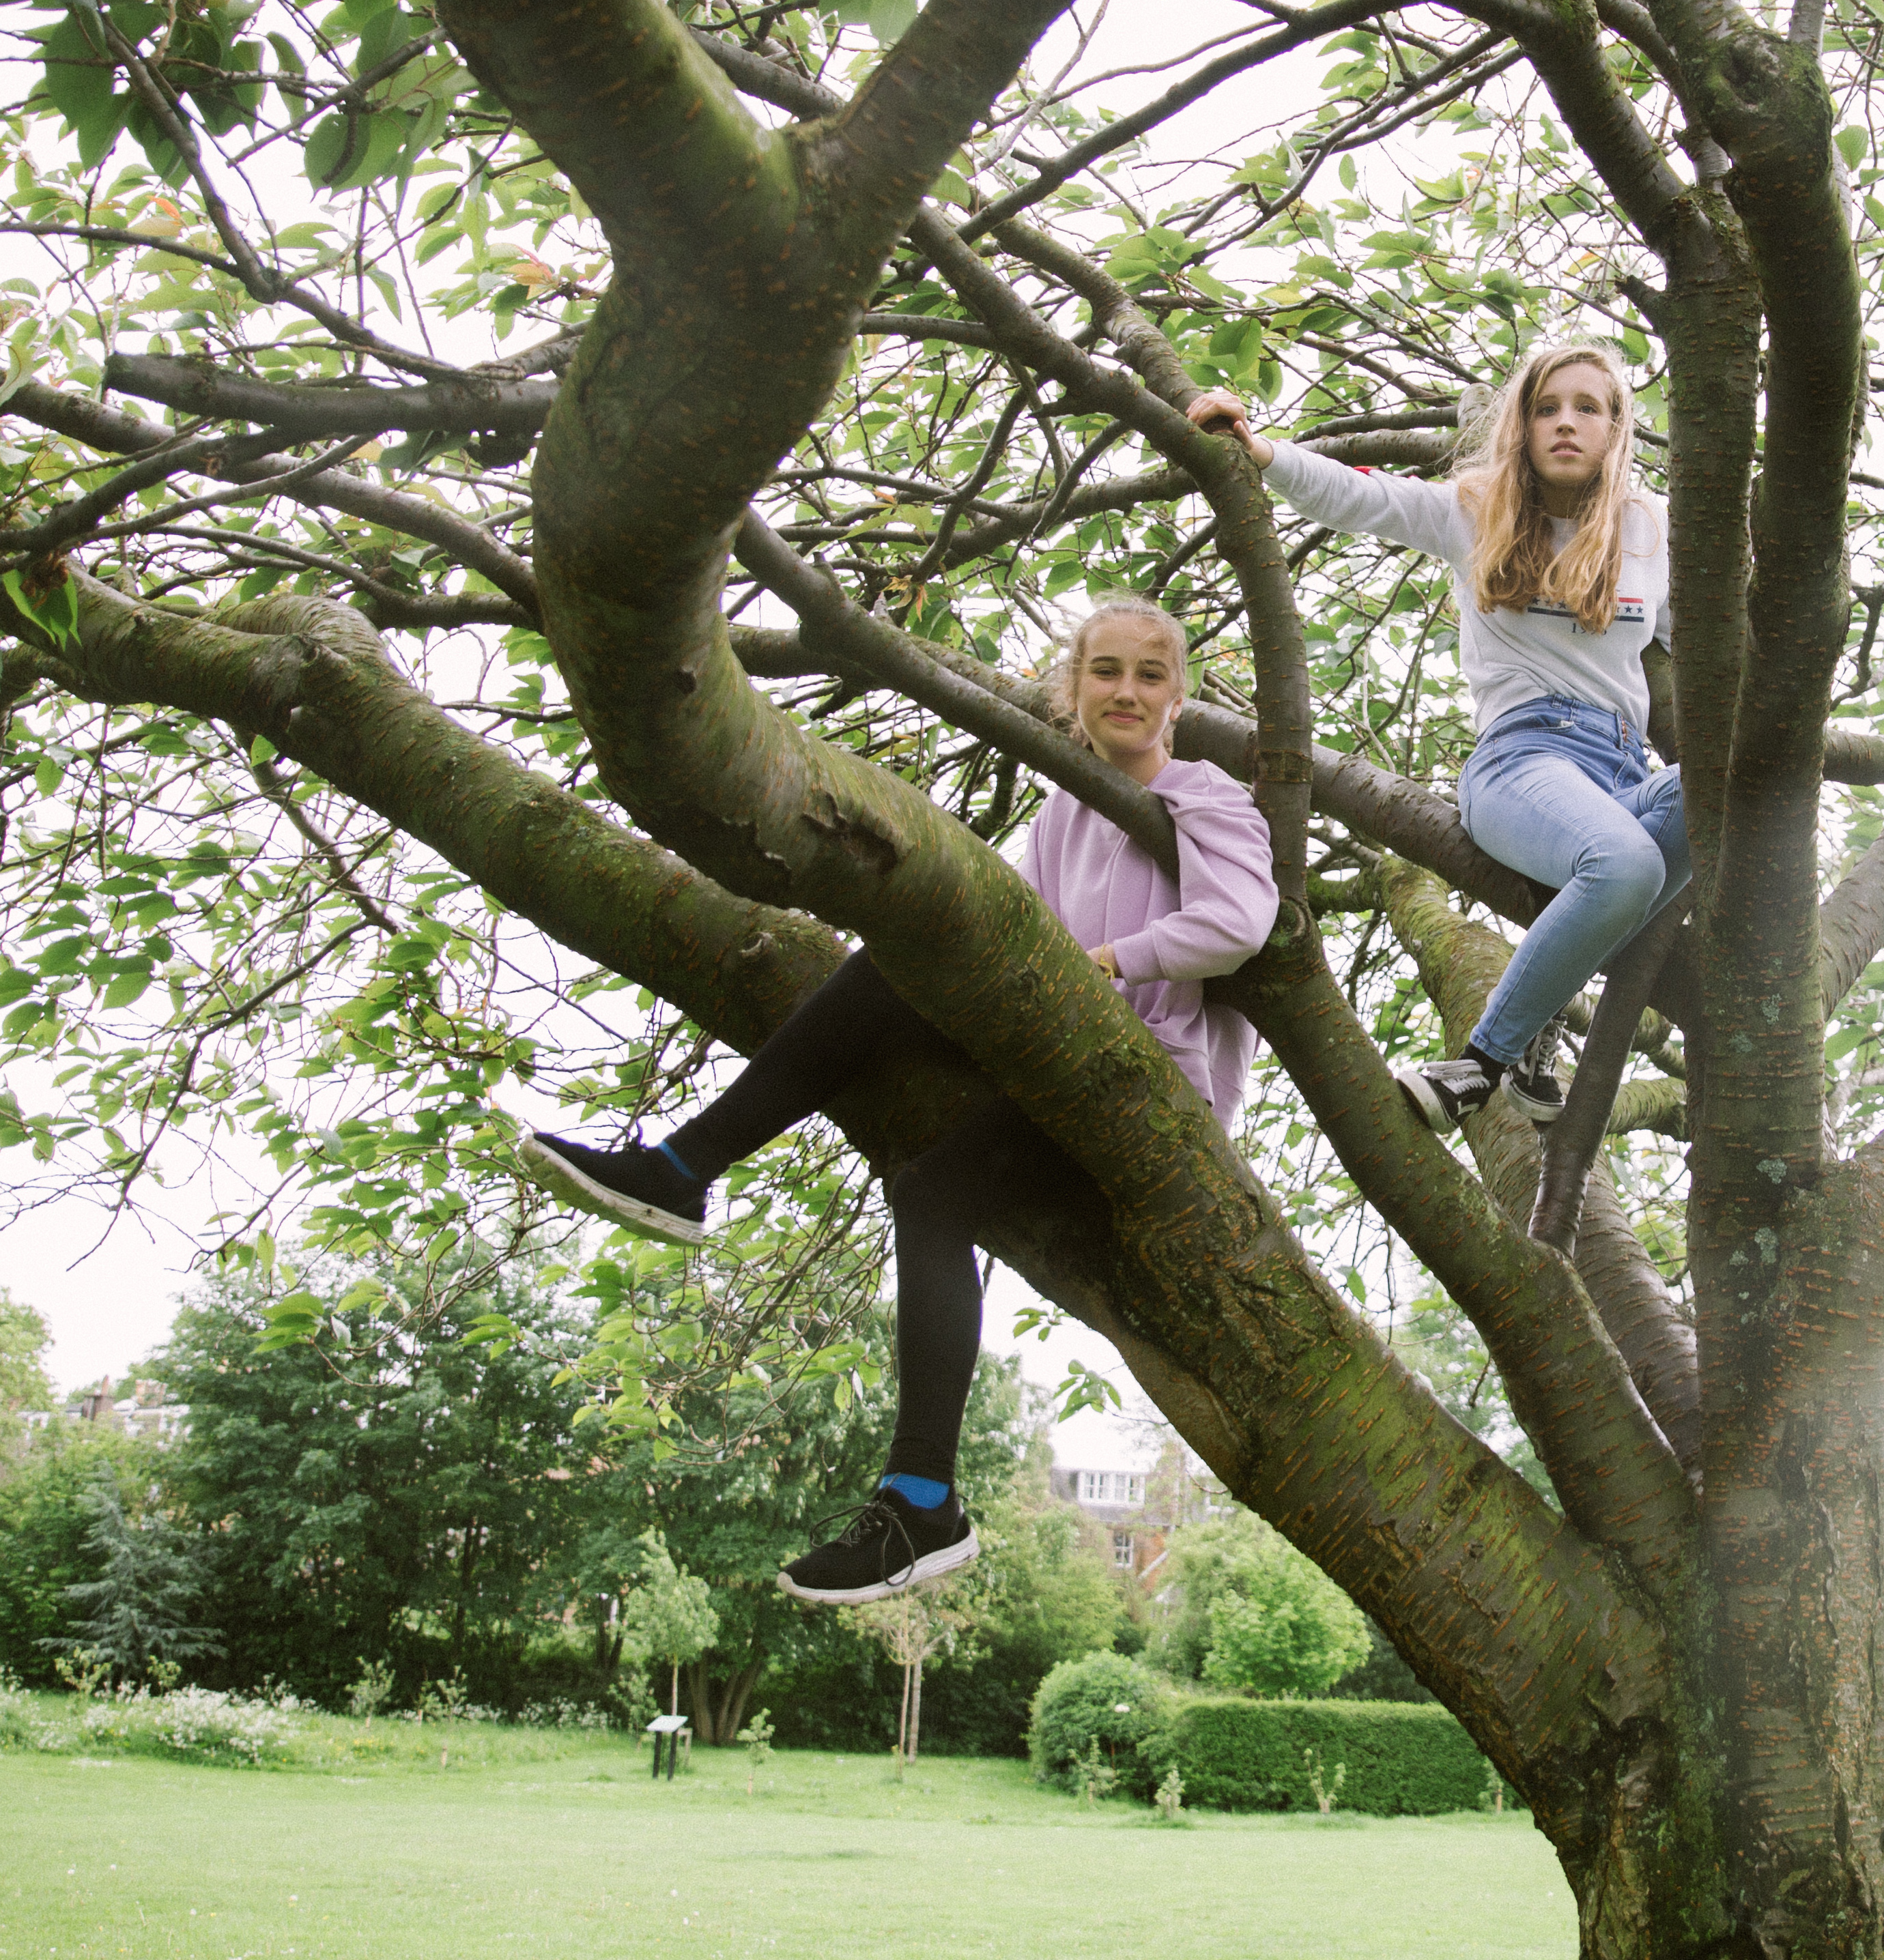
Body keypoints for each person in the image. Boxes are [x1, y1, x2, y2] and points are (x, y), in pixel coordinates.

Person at [511, 595, 1277, 1606]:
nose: (1126, 692)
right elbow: (1007, 939)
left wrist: (1113, 960)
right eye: (1105, 672)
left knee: (932, 1194)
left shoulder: (1203, 795)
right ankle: (681, 1169)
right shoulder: (1062, 811)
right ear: (1071, 691)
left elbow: (1242, 920)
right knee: (894, 966)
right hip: (1055, 1051)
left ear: (1176, 700)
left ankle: (921, 1501)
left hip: (1147, 1086)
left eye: (1148, 675)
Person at [1188, 340, 1683, 1134]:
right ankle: (1483, 1062)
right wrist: (1262, 450)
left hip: (1626, 769)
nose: (1565, 424)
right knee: (1627, 863)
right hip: (1525, 759)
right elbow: (1366, 498)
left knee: (1728, 788)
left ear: (1616, 428)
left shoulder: (1650, 527)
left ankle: (1557, 991)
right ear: (1521, 428)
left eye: (1587, 408)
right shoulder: (1478, 507)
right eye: (1545, 408)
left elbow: (1712, 640)